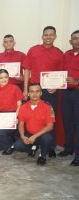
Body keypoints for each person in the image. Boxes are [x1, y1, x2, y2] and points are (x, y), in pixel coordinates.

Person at [23, 26, 64, 157]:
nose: (48, 37)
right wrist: (25, 89)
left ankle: (50, 146)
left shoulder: (59, 53)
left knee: (50, 119)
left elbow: (62, 74)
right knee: (33, 118)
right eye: (46, 35)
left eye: (51, 35)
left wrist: (56, 86)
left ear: (55, 37)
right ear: (42, 36)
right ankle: (34, 143)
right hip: (35, 90)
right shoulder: (33, 50)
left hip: (51, 91)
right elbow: (27, 70)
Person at [14, 83, 55, 165]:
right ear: (28, 94)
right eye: (32, 91)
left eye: (37, 91)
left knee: (47, 139)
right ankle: (34, 146)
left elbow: (50, 126)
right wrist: (22, 136)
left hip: (43, 134)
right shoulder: (23, 107)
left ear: (41, 93)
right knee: (18, 146)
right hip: (30, 133)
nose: (34, 94)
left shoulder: (48, 106)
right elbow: (21, 124)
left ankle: (42, 156)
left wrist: (35, 136)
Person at [59, 30, 79, 166]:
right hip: (66, 93)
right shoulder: (65, 55)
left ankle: (78, 154)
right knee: (68, 121)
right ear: (70, 41)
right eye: (74, 38)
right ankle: (68, 148)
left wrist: (78, 82)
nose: (77, 41)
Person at [0, 69, 23, 155]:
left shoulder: (15, 88)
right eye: (1, 78)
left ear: (8, 78)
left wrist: (16, 117)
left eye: (6, 77)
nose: (4, 79)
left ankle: (9, 146)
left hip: (13, 115)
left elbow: (19, 104)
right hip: (1, 116)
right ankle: (11, 138)